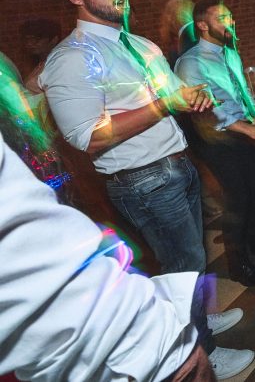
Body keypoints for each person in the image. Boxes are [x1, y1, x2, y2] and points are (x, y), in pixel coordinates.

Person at [39, 0, 253, 379]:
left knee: (192, 260)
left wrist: (192, 96)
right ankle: (198, 355)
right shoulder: (72, 58)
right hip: (143, 180)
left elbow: (175, 93)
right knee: (180, 268)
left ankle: (201, 322)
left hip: (177, 167)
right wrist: (162, 105)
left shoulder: (140, 46)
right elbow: (85, 135)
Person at [0, 134, 215, 381]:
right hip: (124, 355)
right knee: (185, 261)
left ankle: (203, 329)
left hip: (144, 345)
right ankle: (202, 333)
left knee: (192, 259)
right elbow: (86, 137)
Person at [175, 0, 255, 287]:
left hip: (244, 132)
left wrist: (253, 119)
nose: (231, 23)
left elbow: (240, 92)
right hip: (218, 139)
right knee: (237, 199)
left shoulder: (229, 54)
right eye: (223, 18)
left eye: (230, 17)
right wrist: (245, 129)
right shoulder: (190, 62)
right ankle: (237, 264)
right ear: (203, 25)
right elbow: (204, 109)